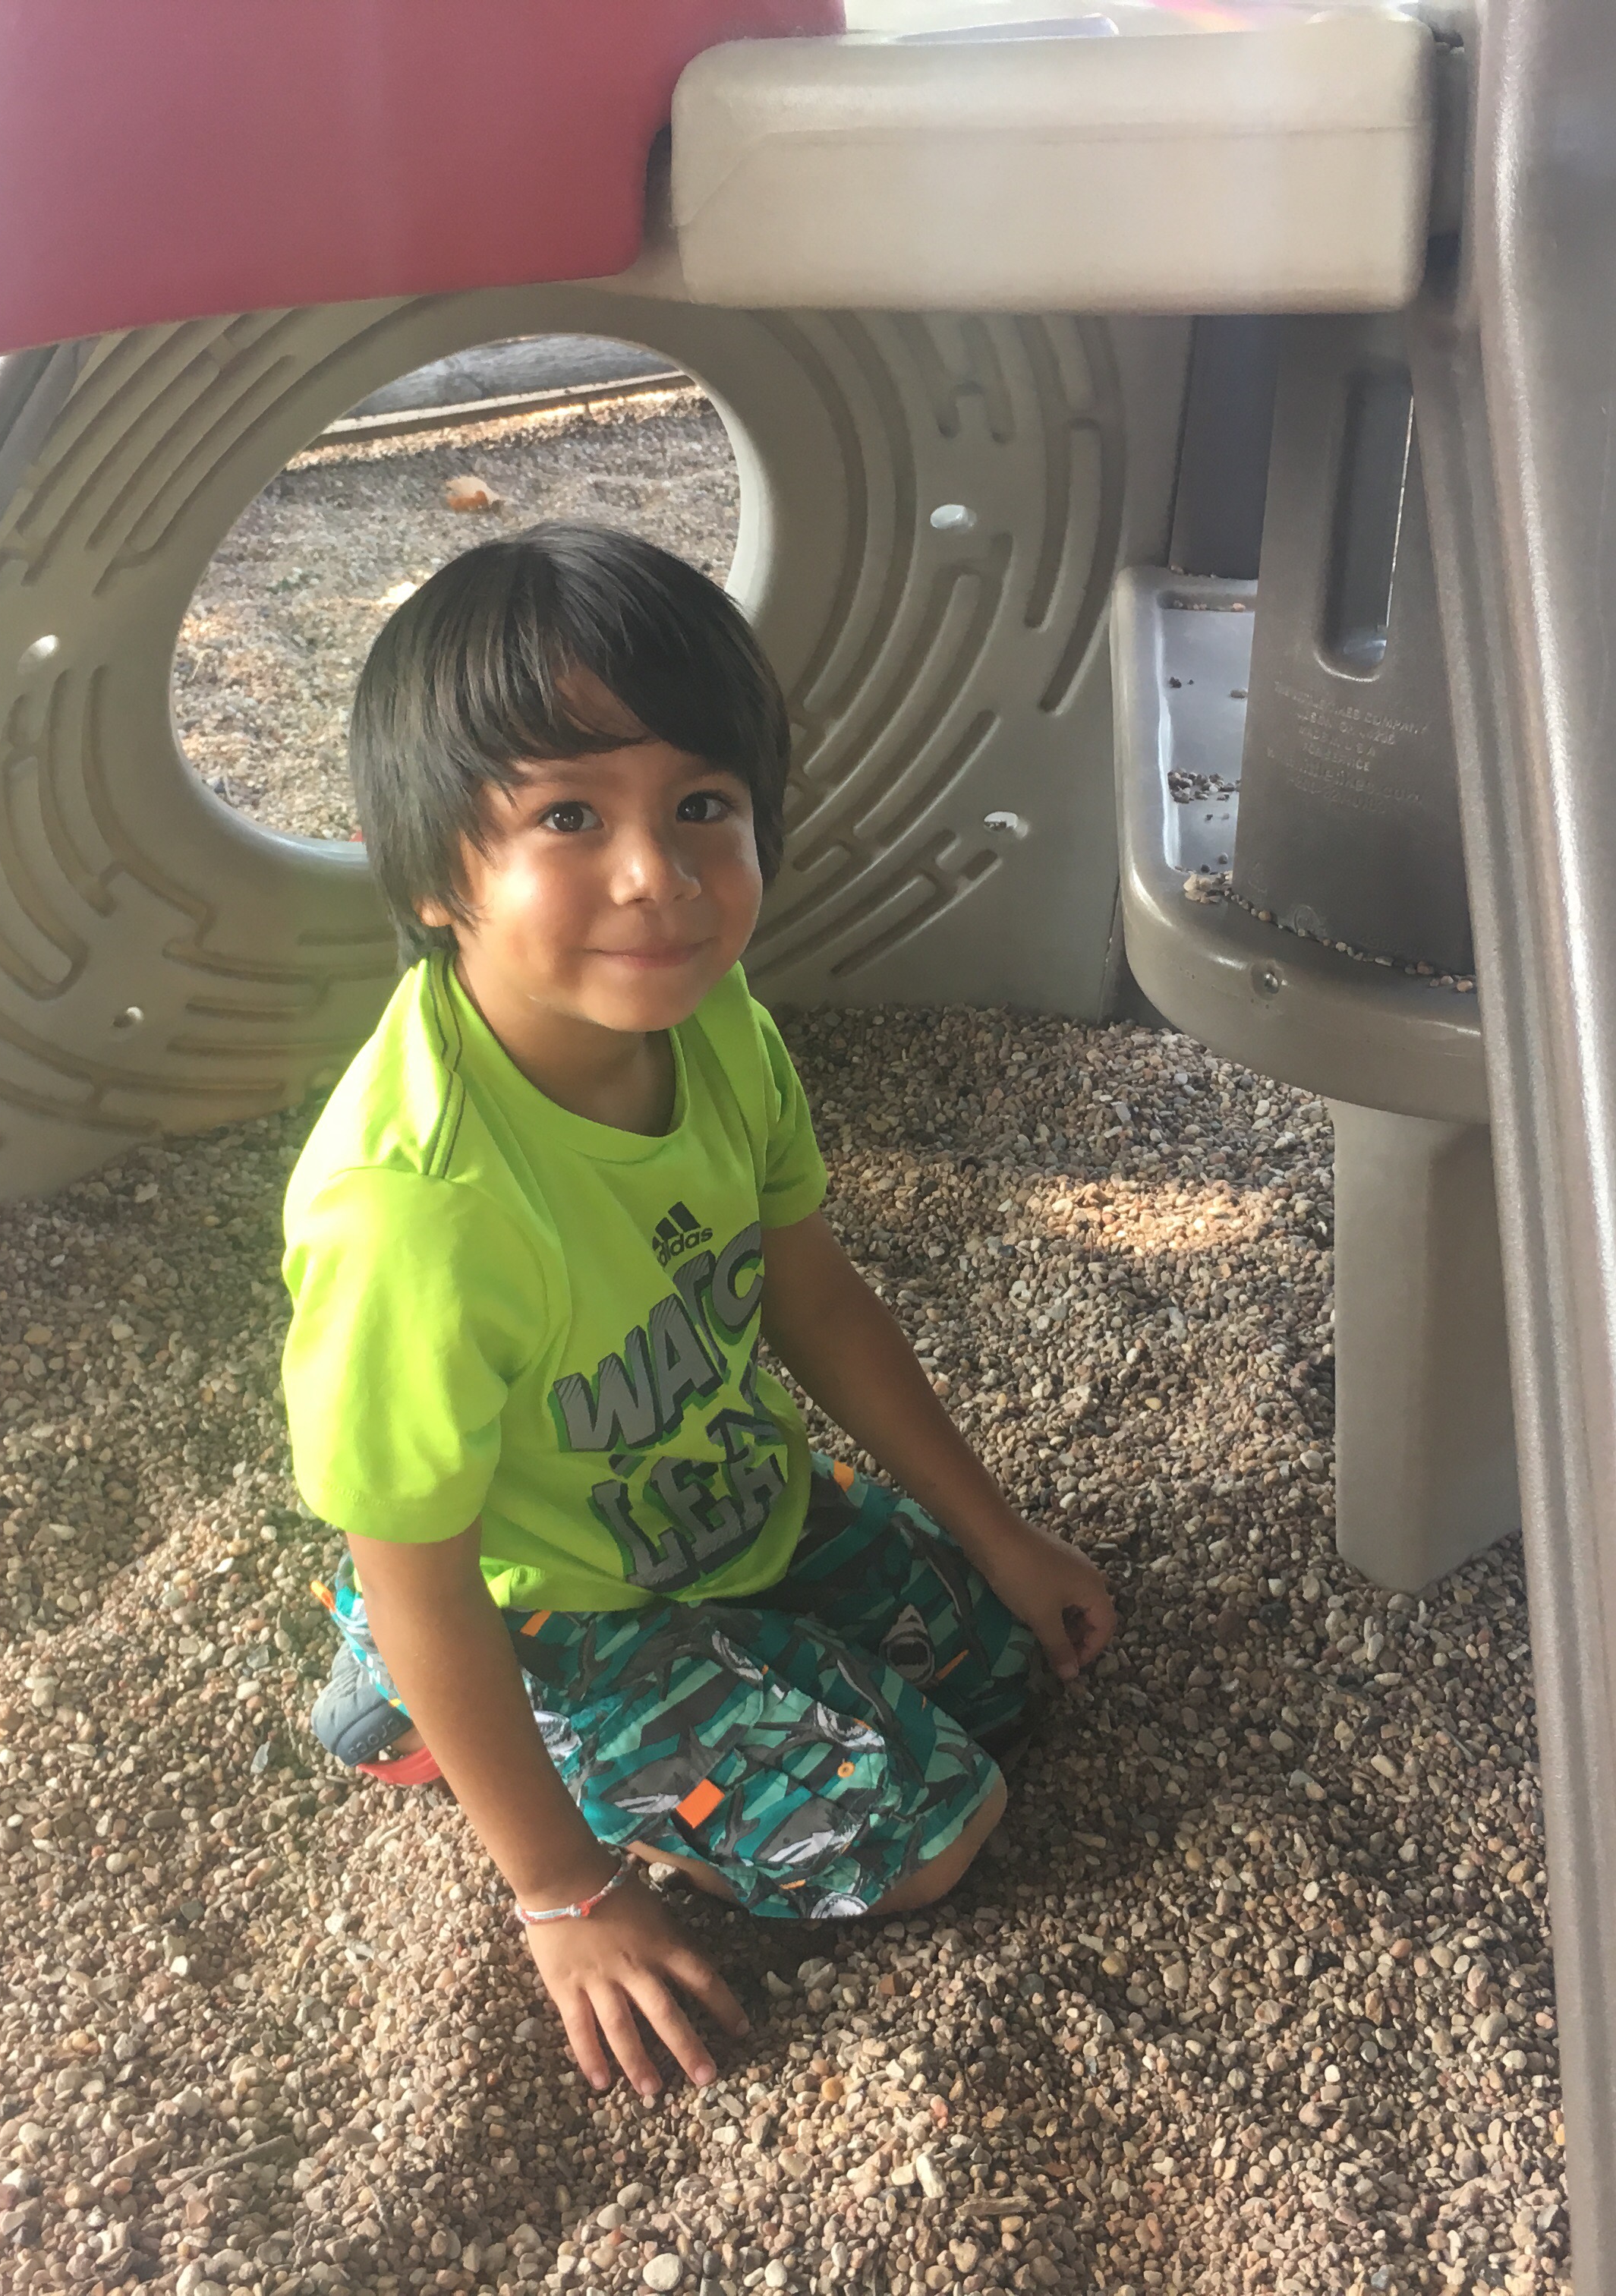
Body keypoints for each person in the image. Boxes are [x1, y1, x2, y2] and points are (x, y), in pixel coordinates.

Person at [282, 522, 1117, 2104]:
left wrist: (1002, 1536)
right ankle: (428, 1710)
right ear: (433, 871)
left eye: (702, 807)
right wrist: (562, 1893)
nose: (655, 876)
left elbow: (813, 1297)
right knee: (934, 1836)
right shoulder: (415, 1212)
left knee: (1008, 1671)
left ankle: (687, 1670)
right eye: (568, 816)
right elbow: (422, 1567)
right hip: (545, 1604)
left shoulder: (715, 1020)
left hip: (726, 1506)